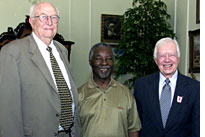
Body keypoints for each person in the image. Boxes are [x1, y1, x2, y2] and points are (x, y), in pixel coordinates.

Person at [0, 2, 80, 137]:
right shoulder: (13, 52)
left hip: (69, 133)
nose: (50, 22)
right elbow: (8, 111)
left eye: (54, 17)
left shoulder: (62, 50)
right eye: (43, 17)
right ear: (32, 21)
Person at [134, 37, 200, 137]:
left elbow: (197, 129)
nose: (167, 59)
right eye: (162, 56)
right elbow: (135, 126)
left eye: (172, 55)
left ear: (178, 58)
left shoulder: (195, 88)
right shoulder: (141, 86)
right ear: (156, 60)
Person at [78, 43, 141, 137]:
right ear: (90, 61)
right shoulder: (79, 94)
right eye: (99, 58)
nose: (104, 63)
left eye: (109, 59)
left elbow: (133, 129)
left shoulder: (126, 93)